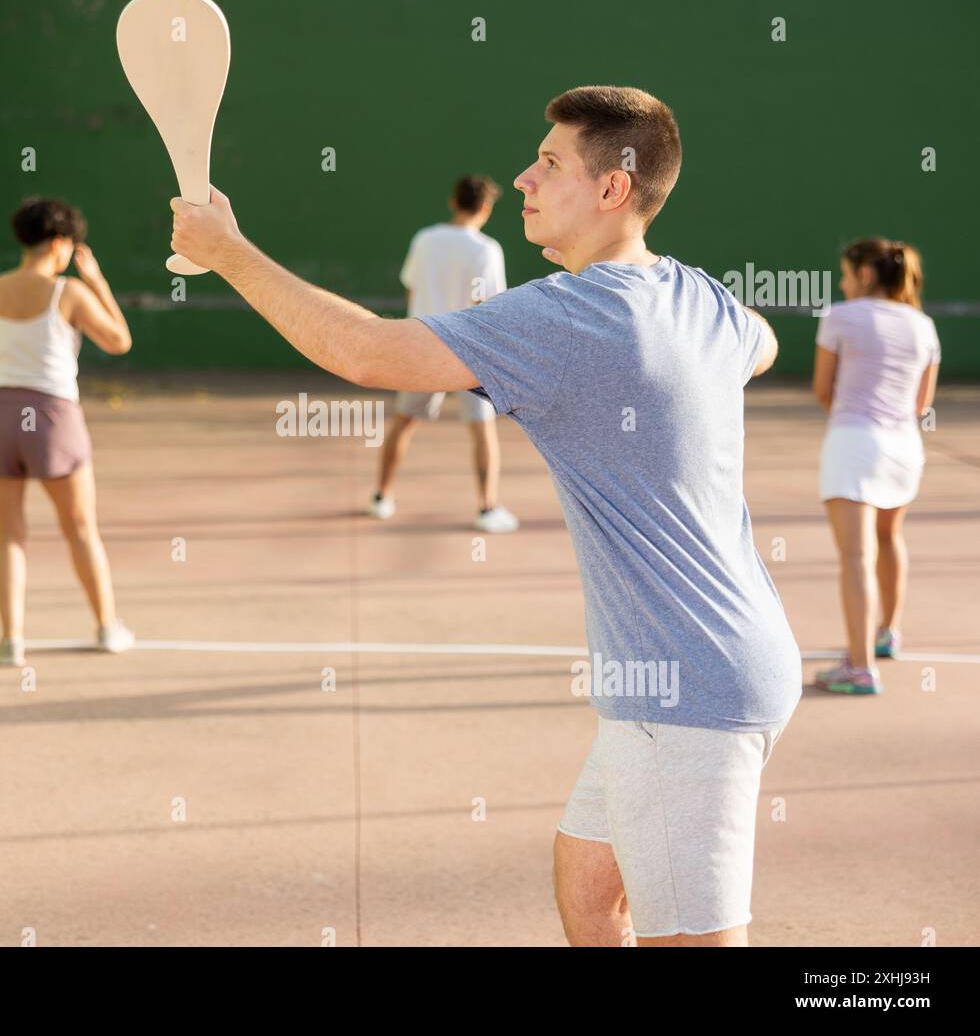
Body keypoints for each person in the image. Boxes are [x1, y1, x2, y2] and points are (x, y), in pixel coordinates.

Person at [169, 85, 803, 946]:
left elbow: (365, 350)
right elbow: (761, 343)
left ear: (612, 189)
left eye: (549, 163)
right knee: (590, 888)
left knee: (690, 939)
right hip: (706, 665)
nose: (524, 177)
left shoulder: (574, 316)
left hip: (687, 687)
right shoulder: (696, 297)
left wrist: (230, 253)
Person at [0, 197, 136, 666]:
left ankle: (10, 640)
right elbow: (120, 341)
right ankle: (106, 629)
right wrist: (96, 280)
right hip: (54, 418)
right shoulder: (70, 293)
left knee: (8, 534)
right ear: (60, 244)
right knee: (80, 529)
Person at [812, 238, 941, 695]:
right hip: (905, 450)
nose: (844, 283)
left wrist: (853, 420)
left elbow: (823, 390)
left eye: (846, 274)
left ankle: (860, 666)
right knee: (890, 538)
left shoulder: (839, 317)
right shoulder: (924, 326)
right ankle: (888, 633)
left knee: (856, 556)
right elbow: (922, 403)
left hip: (853, 445)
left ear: (865, 274)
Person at [369, 175, 520, 533]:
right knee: (482, 429)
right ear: (485, 208)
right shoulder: (486, 250)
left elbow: (412, 290)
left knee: (404, 421)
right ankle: (487, 509)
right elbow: (488, 305)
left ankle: (381, 497)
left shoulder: (424, 240)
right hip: (470, 352)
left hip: (422, 345)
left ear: (453, 202)